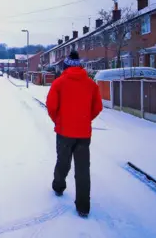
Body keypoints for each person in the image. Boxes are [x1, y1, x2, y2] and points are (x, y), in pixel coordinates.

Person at [45, 51, 102, 218]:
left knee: (63, 161)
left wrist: (59, 120)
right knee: (83, 168)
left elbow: (51, 106)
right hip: (84, 133)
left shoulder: (58, 83)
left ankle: (58, 186)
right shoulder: (91, 85)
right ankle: (83, 207)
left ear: (66, 66)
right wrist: (85, 119)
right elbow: (97, 107)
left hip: (64, 132)